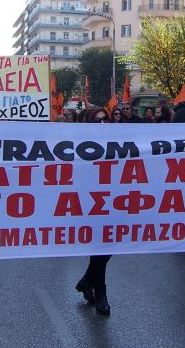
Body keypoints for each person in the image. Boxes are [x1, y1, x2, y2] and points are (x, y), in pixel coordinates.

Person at [75, 106, 112, 316]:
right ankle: (100, 293)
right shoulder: (78, 146)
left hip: (112, 200)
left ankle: (86, 281)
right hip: (90, 202)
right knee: (100, 248)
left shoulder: (116, 142)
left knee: (110, 247)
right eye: (98, 121)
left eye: (106, 119)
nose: (103, 123)